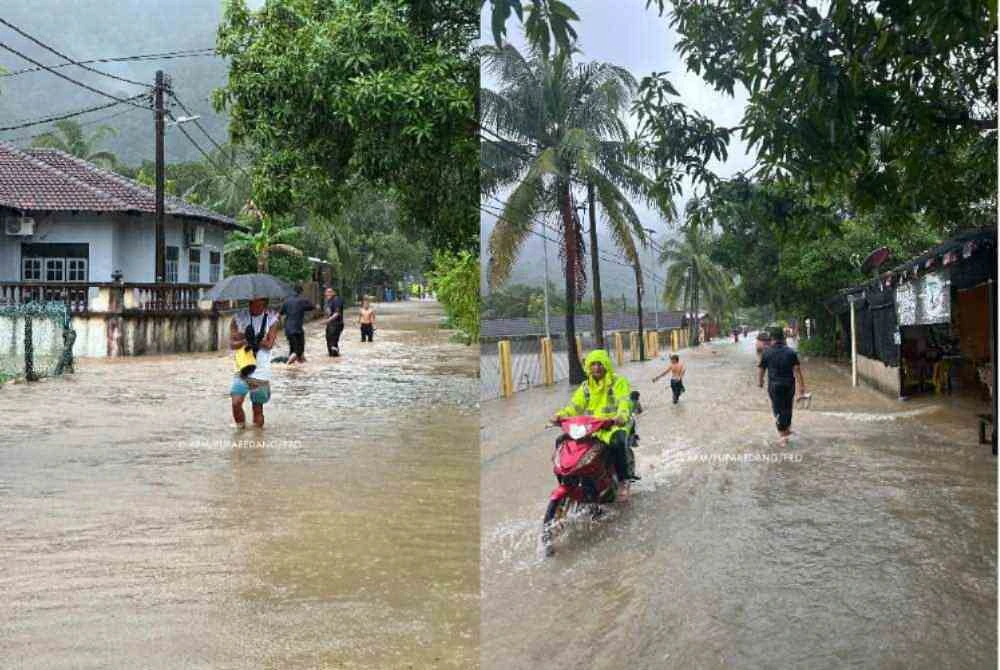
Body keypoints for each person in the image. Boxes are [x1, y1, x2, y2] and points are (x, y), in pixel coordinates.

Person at [551, 349, 639, 482]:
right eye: (593, 364)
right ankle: (566, 478)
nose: (596, 367)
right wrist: (560, 416)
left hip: (613, 425)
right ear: (588, 367)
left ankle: (624, 478)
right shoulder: (585, 387)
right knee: (561, 441)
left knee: (618, 442)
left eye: (600, 364)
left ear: (606, 365)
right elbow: (575, 407)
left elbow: (624, 402)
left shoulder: (618, 382)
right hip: (591, 427)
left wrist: (621, 416)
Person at [230, 297, 280, 428]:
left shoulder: (272, 319)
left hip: (261, 371)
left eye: (260, 305)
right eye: (253, 304)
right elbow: (232, 344)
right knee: (236, 403)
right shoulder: (238, 318)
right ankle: (240, 432)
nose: (256, 307)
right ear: (249, 303)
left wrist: (256, 339)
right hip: (242, 368)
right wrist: (245, 340)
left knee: (257, 408)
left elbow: (269, 345)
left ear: (265, 304)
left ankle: (257, 440)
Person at [757, 328, 807, 443]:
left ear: (772, 339)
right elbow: (797, 370)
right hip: (789, 385)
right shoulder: (791, 352)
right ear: (783, 338)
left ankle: (783, 436)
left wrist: (760, 382)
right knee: (788, 407)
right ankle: (787, 430)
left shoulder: (766, 352)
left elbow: (761, 369)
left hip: (774, 386)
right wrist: (802, 387)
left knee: (777, 409)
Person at [279, 285, 315, 364]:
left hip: (288, 329)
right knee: (298, 351)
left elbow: (280, 313)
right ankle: (287, 365)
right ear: (301, 292)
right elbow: (312, 306)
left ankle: (295, 369)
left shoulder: (286, 301)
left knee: (293, 349)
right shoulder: (302, 300)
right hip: (298, 329)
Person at [324, 287, 345, 356]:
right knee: (329, 341)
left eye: (330, 292)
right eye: (327, 292)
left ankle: (335, 356)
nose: (328, 294)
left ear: (334, 293)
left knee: (332, 342)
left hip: (337, 324)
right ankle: (333, 358)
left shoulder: (336, 300)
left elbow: (337, 313)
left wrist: (327, 320)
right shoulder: (328, 301)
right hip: (330, 324)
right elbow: (328, 313)